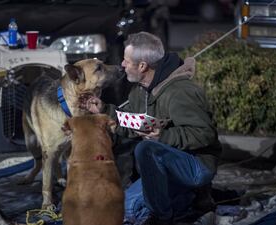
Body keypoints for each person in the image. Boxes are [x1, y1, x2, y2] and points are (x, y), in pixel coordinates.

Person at [80, 31, 221, 225]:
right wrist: (104, 110)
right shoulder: (140, 90)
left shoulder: (180, 92)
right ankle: (183, 197)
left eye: (126, 61)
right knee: (126, 207)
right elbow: (132, 123)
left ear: (142, 66)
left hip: (195, 165)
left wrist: (163, 136)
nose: (122, 65)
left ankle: (165, 216)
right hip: (164, 164)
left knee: (145, 150)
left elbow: (204, 135)